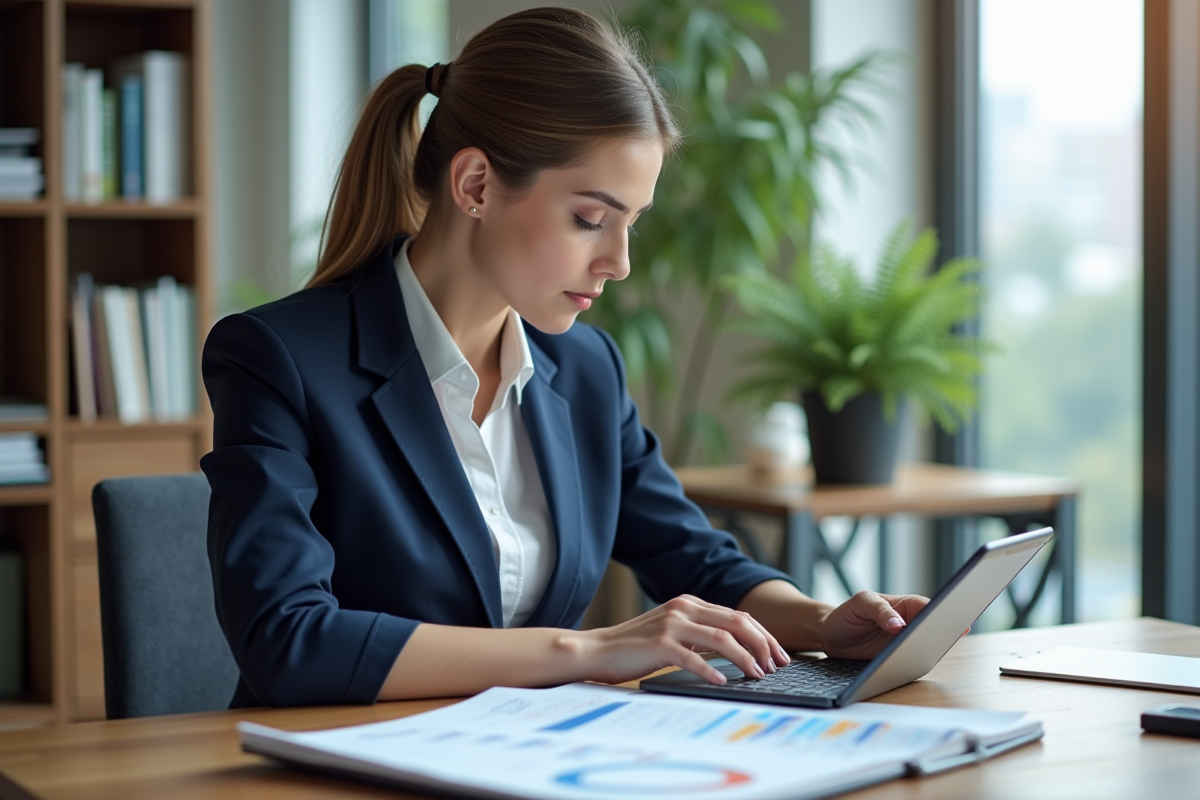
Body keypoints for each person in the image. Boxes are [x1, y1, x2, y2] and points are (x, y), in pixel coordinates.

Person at [201, 6, 928, 709]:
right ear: (476, 185)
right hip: (334, 761)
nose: (620, 262)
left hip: (530, 755)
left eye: (631, 224)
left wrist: (822, 622)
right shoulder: (279, 359)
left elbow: (695, 559)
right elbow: (286, 639)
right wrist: (589, 651)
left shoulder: (585, 369)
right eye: (590, 219)